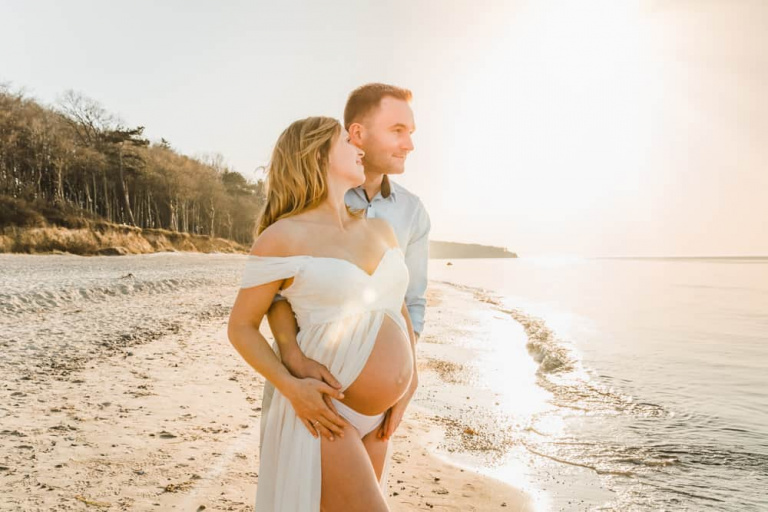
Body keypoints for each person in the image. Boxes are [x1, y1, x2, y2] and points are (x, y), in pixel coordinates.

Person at [228, 116, 418, 511]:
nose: (359, 148)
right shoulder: (282, 237)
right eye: (347, 142)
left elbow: (397, 305)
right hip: (327, 411)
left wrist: (412, 379)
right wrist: (291, 385)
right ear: (317, 155)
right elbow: (241, 327)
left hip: (380, 417)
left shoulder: (381, 229)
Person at [263, 84, 429, 450]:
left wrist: (409, 378)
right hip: (320, 392)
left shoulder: (411, 212)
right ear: (358, 134)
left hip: (379, 408)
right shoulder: (314, 196)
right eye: (397, 130)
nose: (409, 145)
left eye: (411, 133)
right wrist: (291, 357)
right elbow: (275, 294)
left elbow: (410, 300)